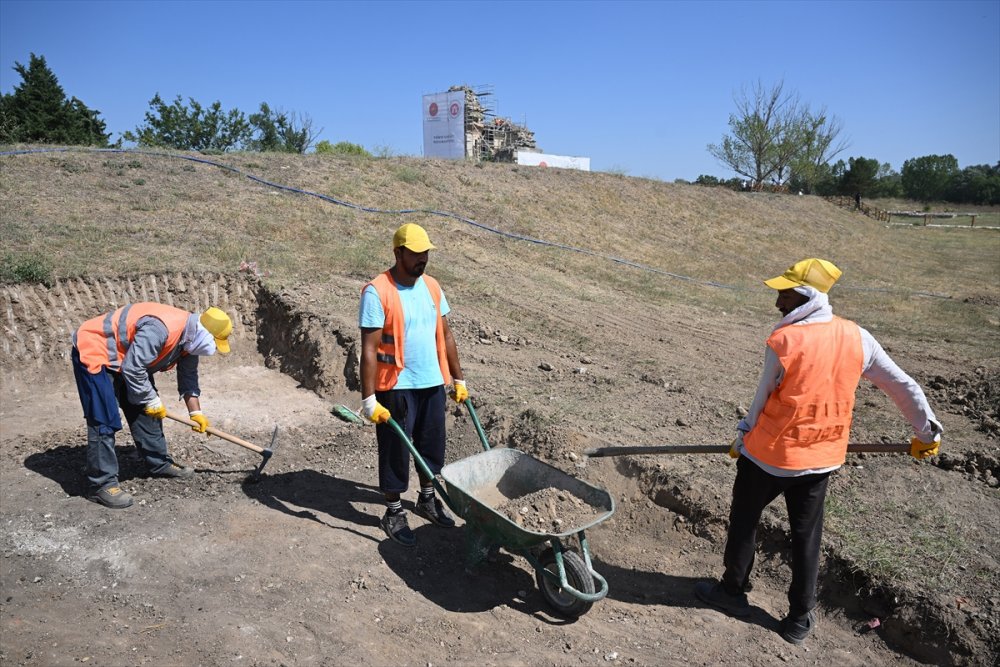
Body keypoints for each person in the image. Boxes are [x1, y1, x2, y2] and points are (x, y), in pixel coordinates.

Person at [695, 258, 942, 645]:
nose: (778, 300)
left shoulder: (786, 340)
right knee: (806, 536)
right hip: (821, 458)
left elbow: (761, 399)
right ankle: (798, 619)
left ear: (806, 295)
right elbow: (901, 384)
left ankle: (732, 593)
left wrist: (743, 434)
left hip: (768, 456)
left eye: (785, 292)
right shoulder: (857, 336)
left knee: (745, 521)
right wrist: (926, 431)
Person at [359, 222, 467, 547]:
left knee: (431, 447)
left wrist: (458, 378)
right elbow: (367, 349)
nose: (422, 260)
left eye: (426, 254)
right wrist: (368, 400)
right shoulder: (377, 291)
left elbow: (446, 335)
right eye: (416, 255)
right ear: (398, 253)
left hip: (432, 382)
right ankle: (393, 510)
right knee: (396, 451)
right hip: (396, 386)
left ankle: (428, 498)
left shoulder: (432, 287)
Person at [72, 303, 233, 509]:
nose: (213, 349)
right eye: (215, 342)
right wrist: (151, 399)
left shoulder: (190, 340)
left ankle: (158, 463)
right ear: (205, 334)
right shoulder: (161, 329)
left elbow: (188, 378)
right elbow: (134, 368)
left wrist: (196, 413)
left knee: (145, 410)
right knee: (104, 418)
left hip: (128, 359)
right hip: (96, 351)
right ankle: (102, 485)